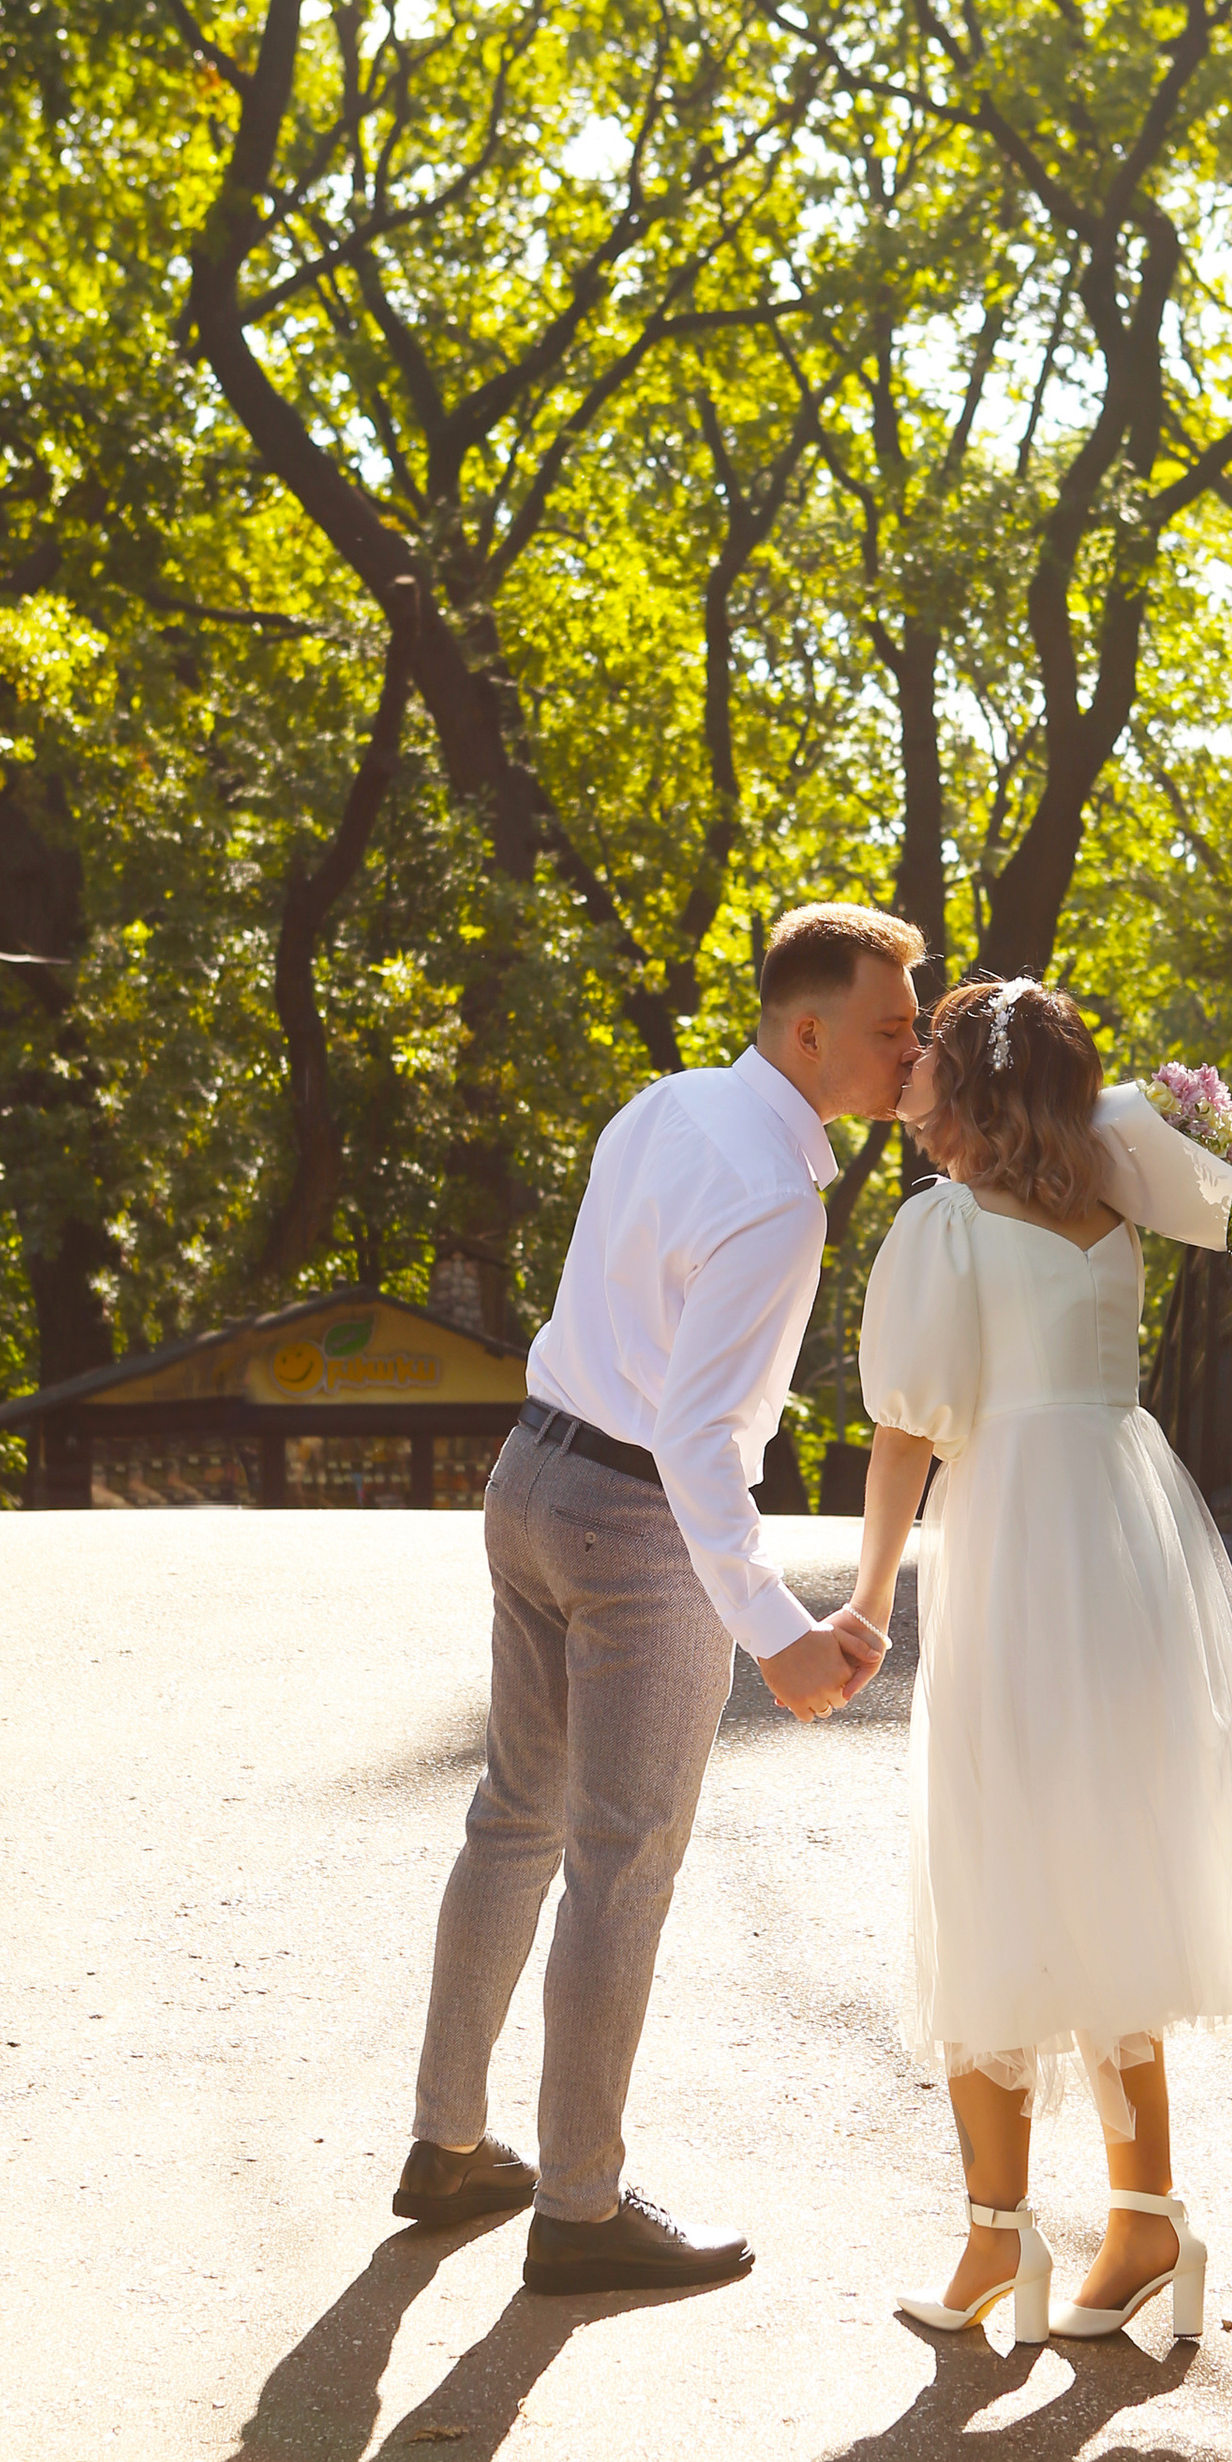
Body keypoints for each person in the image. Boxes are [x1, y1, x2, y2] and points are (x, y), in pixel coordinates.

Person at [846, 975, 1232, 2343]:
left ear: (965, 1090)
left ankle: (996, 2247)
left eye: (925, 1062)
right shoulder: (1117, 1193)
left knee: (997, 1860)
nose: (903, 1075)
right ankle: (1143, 2220)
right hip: (1133, 1524)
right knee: (1107, 1861)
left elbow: (910, 1427)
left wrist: (865, 1600)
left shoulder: (946, 1227)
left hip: (1024, 1532)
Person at [396, 904, 924, 2295]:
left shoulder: (666, 1105)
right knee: (620, 1861)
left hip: (531, 1477)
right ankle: (578, 2206)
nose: (911, 1050)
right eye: (889, 1029)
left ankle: (448, 2146)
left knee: (514, 1819)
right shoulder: (774, 1196)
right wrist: (781, 1635)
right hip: (638, 1530)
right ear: (808, 1032)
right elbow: (697, 1436)